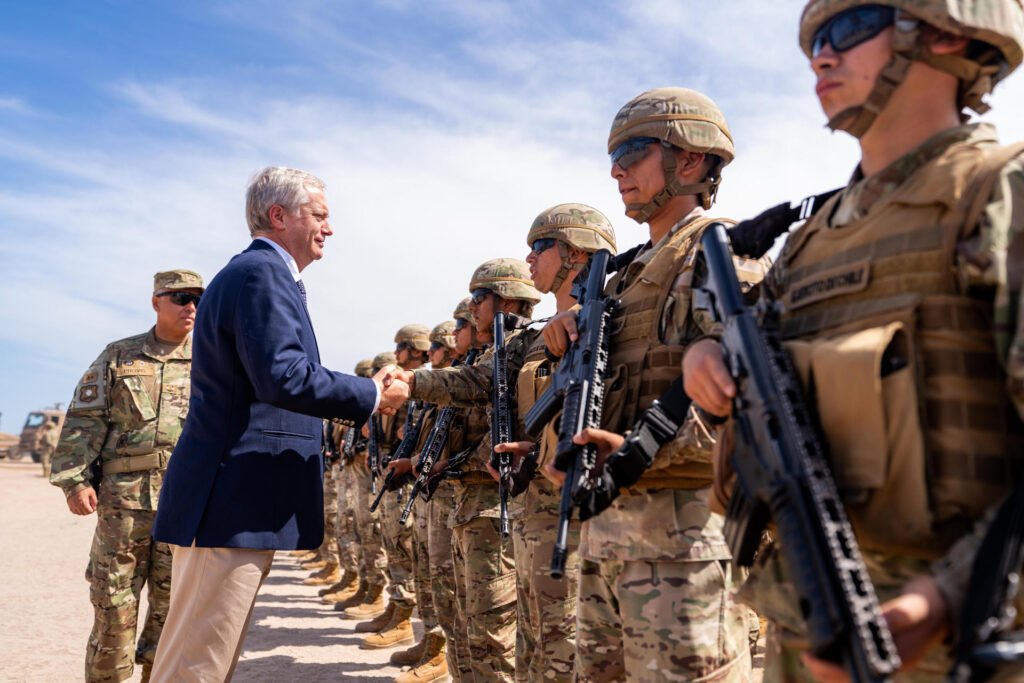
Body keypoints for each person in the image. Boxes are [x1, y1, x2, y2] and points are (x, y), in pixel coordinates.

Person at [683, 2, 1024, 680]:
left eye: (849, 28)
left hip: (950, 642)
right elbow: (755, 359)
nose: (822, 56)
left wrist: (943, 599)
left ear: (944, 33)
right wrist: (706, 357)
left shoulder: (996, 190)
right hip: (805, 624)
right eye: (814, 40)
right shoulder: (813, 239)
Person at [149, 166, 408, 682]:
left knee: (207, 661)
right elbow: (283, 376)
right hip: (228, 505)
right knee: (194, 666)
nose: (329, 228)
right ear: (279, 215)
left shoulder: (261, 274)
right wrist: (373, 394)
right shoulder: (261, 274)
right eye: (319, 215)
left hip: (236, 503)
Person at [542, 88, 766, 681]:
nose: (616, 171)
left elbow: (756, 403)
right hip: (607, 538)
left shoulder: (722, 253)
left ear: (688, 159)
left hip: (685, 547)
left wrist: (637, 451)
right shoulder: (623, 278)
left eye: (632, 153)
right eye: (614, 159)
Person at [49, 268, 204, 682]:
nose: (191, 307)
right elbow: (85, 420)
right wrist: (74, 481)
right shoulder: (120, 356)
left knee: (173, 611)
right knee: (113, 606)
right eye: (181, 298)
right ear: (156, 302)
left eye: (198, 299)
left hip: (185, 503)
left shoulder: (212, 359)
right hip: (124, 504)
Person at [397, 259, 542, 682]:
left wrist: (410, 384)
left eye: (480, 298)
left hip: (494, 507)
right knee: (464, 622)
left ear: (507, 300)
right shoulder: (495, 352)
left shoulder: (524, 346)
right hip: (470, 504)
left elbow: (498, 414)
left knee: (491, 636)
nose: (472, 308)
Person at [493, 203, 617, 682]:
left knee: (565, 647)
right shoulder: (544, 334)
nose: (529, 259)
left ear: (577, 254)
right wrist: (531, 449)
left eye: (540, 247)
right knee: (534, 640)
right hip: (535, 504)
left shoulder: (606, 318)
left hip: (577, 508)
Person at [355, 324, 431, 650]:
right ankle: (396, 609)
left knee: (403, 544)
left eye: (401, 347)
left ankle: (404, 617)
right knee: (391, 541)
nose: (397, 353)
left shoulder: (424, 386)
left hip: (407, 477)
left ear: (414, 350)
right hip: (392, 471)